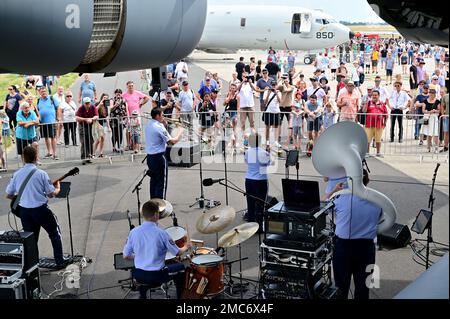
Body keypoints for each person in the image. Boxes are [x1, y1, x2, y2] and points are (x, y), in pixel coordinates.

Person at [5, 146, 67, 268]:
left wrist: (23, 198)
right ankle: (59, 261)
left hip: (25, 212)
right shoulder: (41, 174)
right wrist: (58, 188)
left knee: (31, 239)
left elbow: (9, 195)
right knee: (54, 233)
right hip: (40, 210)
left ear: (23, 158)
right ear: (36, 157)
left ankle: (33, 265)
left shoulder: (16, 174)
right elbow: (51, 193)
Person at [123, 200, 190, 299]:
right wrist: (186, 246)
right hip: (156, 276)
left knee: (144, 276)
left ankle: (143, 295)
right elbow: (177, 252)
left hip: (138, 274)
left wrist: (140, 255)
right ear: (155, 215)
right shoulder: (162, 234)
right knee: (181, 268)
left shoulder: (133, 232)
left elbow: (126, 256)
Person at [332, 169, 382, 299]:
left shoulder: (341, 198)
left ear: (350, 180)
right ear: (368, 180)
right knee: (363, 288)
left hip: (343, 247)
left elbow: (323, 208)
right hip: (367, 248)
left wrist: (334, 191)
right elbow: (381, 219)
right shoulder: (378, 201)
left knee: (340, 287)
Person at [145, 108, 184, 199]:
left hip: (150, 157)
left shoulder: (149, 124)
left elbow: (159, 136)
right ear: (157, 116)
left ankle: (153, 204)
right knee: (161, 183)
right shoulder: (159, 127)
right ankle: (160, 206)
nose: (164, 117)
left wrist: (164, 125)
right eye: (162, 115)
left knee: (154, 181)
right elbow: (172, 142)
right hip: (159, 157)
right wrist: (180, 133)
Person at [244, 133, 272, 229]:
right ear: (259, 142)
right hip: (260, 180)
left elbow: (247, 162)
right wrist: (269, 153)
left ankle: (250, 225)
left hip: (249, 179)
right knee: (260, 203)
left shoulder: (247, 152)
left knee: (250, 203)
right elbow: (269, 164)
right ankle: (259, 226)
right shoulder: (263, 152)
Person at [37, 87, 61, 160]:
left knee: (53, 137)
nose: (43, 92)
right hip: (43, 122)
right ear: (39, 92)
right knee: (46, 138)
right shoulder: (38, 100)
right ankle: (49, 152)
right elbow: (37, 110)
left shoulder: (52, 98)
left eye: (44, 91)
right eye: (42, 91)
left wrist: (58, 118)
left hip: (51, 121)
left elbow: (58, 108)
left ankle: (54, 154)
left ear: (47, 91)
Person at [363, 90, 388, 157]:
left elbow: (386, 114)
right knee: (367, 139)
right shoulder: (368, 103)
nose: (374, 96)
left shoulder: (382, 104)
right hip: (369, 125)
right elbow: (364, 111)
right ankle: (367, 153)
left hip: (379, 125)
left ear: (378, 96)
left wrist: (384, 123)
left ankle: (378, 152)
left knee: (378, 139)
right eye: (373, 95)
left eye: (375, 95)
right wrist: (365, 104)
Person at [76, 97, 98, 165]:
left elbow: (96, 116)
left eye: (88, 103)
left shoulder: (93, 107)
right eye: (86, 103)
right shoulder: (81, 108)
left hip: (91, 126)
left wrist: (91, 119)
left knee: (90, 141)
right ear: (84, 103)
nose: (87, 104)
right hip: (82, 126)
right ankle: (84, 158)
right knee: (84, 142)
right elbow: (77, 117)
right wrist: (85, 119)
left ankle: (89, 157)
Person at [420, 88, 441, 153]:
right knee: (428, 133)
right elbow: (423, 110)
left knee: (435, 133)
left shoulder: (437, 101)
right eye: (430, 94)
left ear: (435, 94)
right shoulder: (425, 101)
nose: (431, 95)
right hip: (427, 117)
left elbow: (439, 110)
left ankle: (436, 148)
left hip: (434, 118)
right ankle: (428, 147)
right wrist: (426, 111)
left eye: (432, 94)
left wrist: (435, 111)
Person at [263, 81, 282, 147]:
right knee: (267, 127)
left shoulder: (279, 92)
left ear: (276, 85)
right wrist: (268, 93)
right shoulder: (266, 92)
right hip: (268, 111)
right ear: (270, 85)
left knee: (276, 127)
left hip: (276, 111)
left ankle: (275, 141)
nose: (273, 86)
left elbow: (280, 102)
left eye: (275, 85)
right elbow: (265, 103)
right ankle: (267, 141)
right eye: (272, 85)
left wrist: (276, 93)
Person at [110, 89, 128, 153]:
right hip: (113, 119)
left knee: (120, 133)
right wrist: (115, 105)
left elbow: (126, 109)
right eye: (117, 93)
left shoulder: (124, 100)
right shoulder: (112, 100)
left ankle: (119, 146)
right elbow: (110, 109)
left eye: (120, 93)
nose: (118, 94)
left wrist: (128, 118)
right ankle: (114, 147)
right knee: (114, 134)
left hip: (121, 120)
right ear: (115, 93)